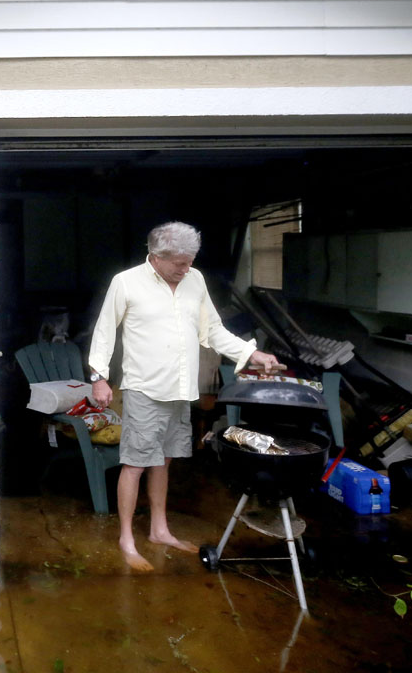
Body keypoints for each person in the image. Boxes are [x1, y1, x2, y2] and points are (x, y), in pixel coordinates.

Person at [88, 221, 278, 571]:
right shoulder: (127, 282)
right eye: (179, 262)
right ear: (156, 257)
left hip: (180, 388)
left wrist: (251, 354)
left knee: (164, 459)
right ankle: (126, 538)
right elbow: (104, 332)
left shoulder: (195, 280)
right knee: (135, 463)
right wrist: (99, 377)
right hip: (144, 387)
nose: (185, 268)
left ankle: (159, 530)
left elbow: (214, 330)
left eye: (190, 260)